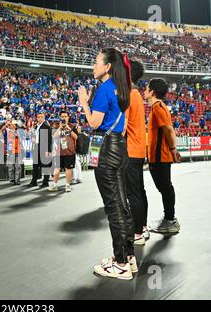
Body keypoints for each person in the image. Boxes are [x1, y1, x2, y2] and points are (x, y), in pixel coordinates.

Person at [77, 48, 135, 280]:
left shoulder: (103, 90)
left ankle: (120, 263)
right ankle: (128, 256)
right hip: (119, 147)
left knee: (113, 207)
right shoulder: (121, 89)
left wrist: (83, 102)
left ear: (107, 66)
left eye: (96, 62)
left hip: (106, 149)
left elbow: (93, 123)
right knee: (122, 204)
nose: (93, 66)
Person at [144, 78, 181, 234]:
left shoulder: (159, 108)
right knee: (164, 187)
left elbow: (169, 130)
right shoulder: (155, 108)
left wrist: (173, 149)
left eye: (146, 88)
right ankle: (169, 218)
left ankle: (170, 220)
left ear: (152, 92)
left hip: (161, 156)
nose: (144, 90)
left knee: (165, 187)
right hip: (156, 156)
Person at [123, 60, 149, 245]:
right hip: (138, 149)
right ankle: (143, 226)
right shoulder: (137, 94)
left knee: (132, 194)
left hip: (130, 150)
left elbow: (122, 127)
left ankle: (137, 232)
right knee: (138, 191)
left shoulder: (129, 95)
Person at [48, 110, 78, 192]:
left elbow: (76, 137)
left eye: (65, 116)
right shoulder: (57, 126)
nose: (64, 118)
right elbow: (53, 137)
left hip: (70, 151)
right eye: (62, 116)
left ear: (68, 117)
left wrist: (68, 128)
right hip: (59, 152)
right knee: (57, 168)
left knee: (68, 169)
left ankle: (67, 185)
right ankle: (54, 185)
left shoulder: (72, 126)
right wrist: (60, 128)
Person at [28, 111, 52, 188]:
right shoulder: (37, 126)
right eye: (38, 117)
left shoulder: (46, 126)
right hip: (37, 146)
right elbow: (36, 137)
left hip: (44, 148)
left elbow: (49, 139)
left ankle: (45, 182)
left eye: (41, 117)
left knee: (45, 166)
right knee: (35, 165)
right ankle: (34, 181)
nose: (40, 118)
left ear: (44, 117)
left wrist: (48, 150)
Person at [1, 120, 24, 185]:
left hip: (18, 151)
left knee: (18, 166)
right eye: (13, 124)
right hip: (10, 151)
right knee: (11, 166)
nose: (14, 125)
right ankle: (12, 180)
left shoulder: (18, 132)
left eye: (15, 125)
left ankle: (17, 180)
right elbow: (1, 130)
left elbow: (20, 141)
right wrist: (6, 124)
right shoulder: (7, 131)